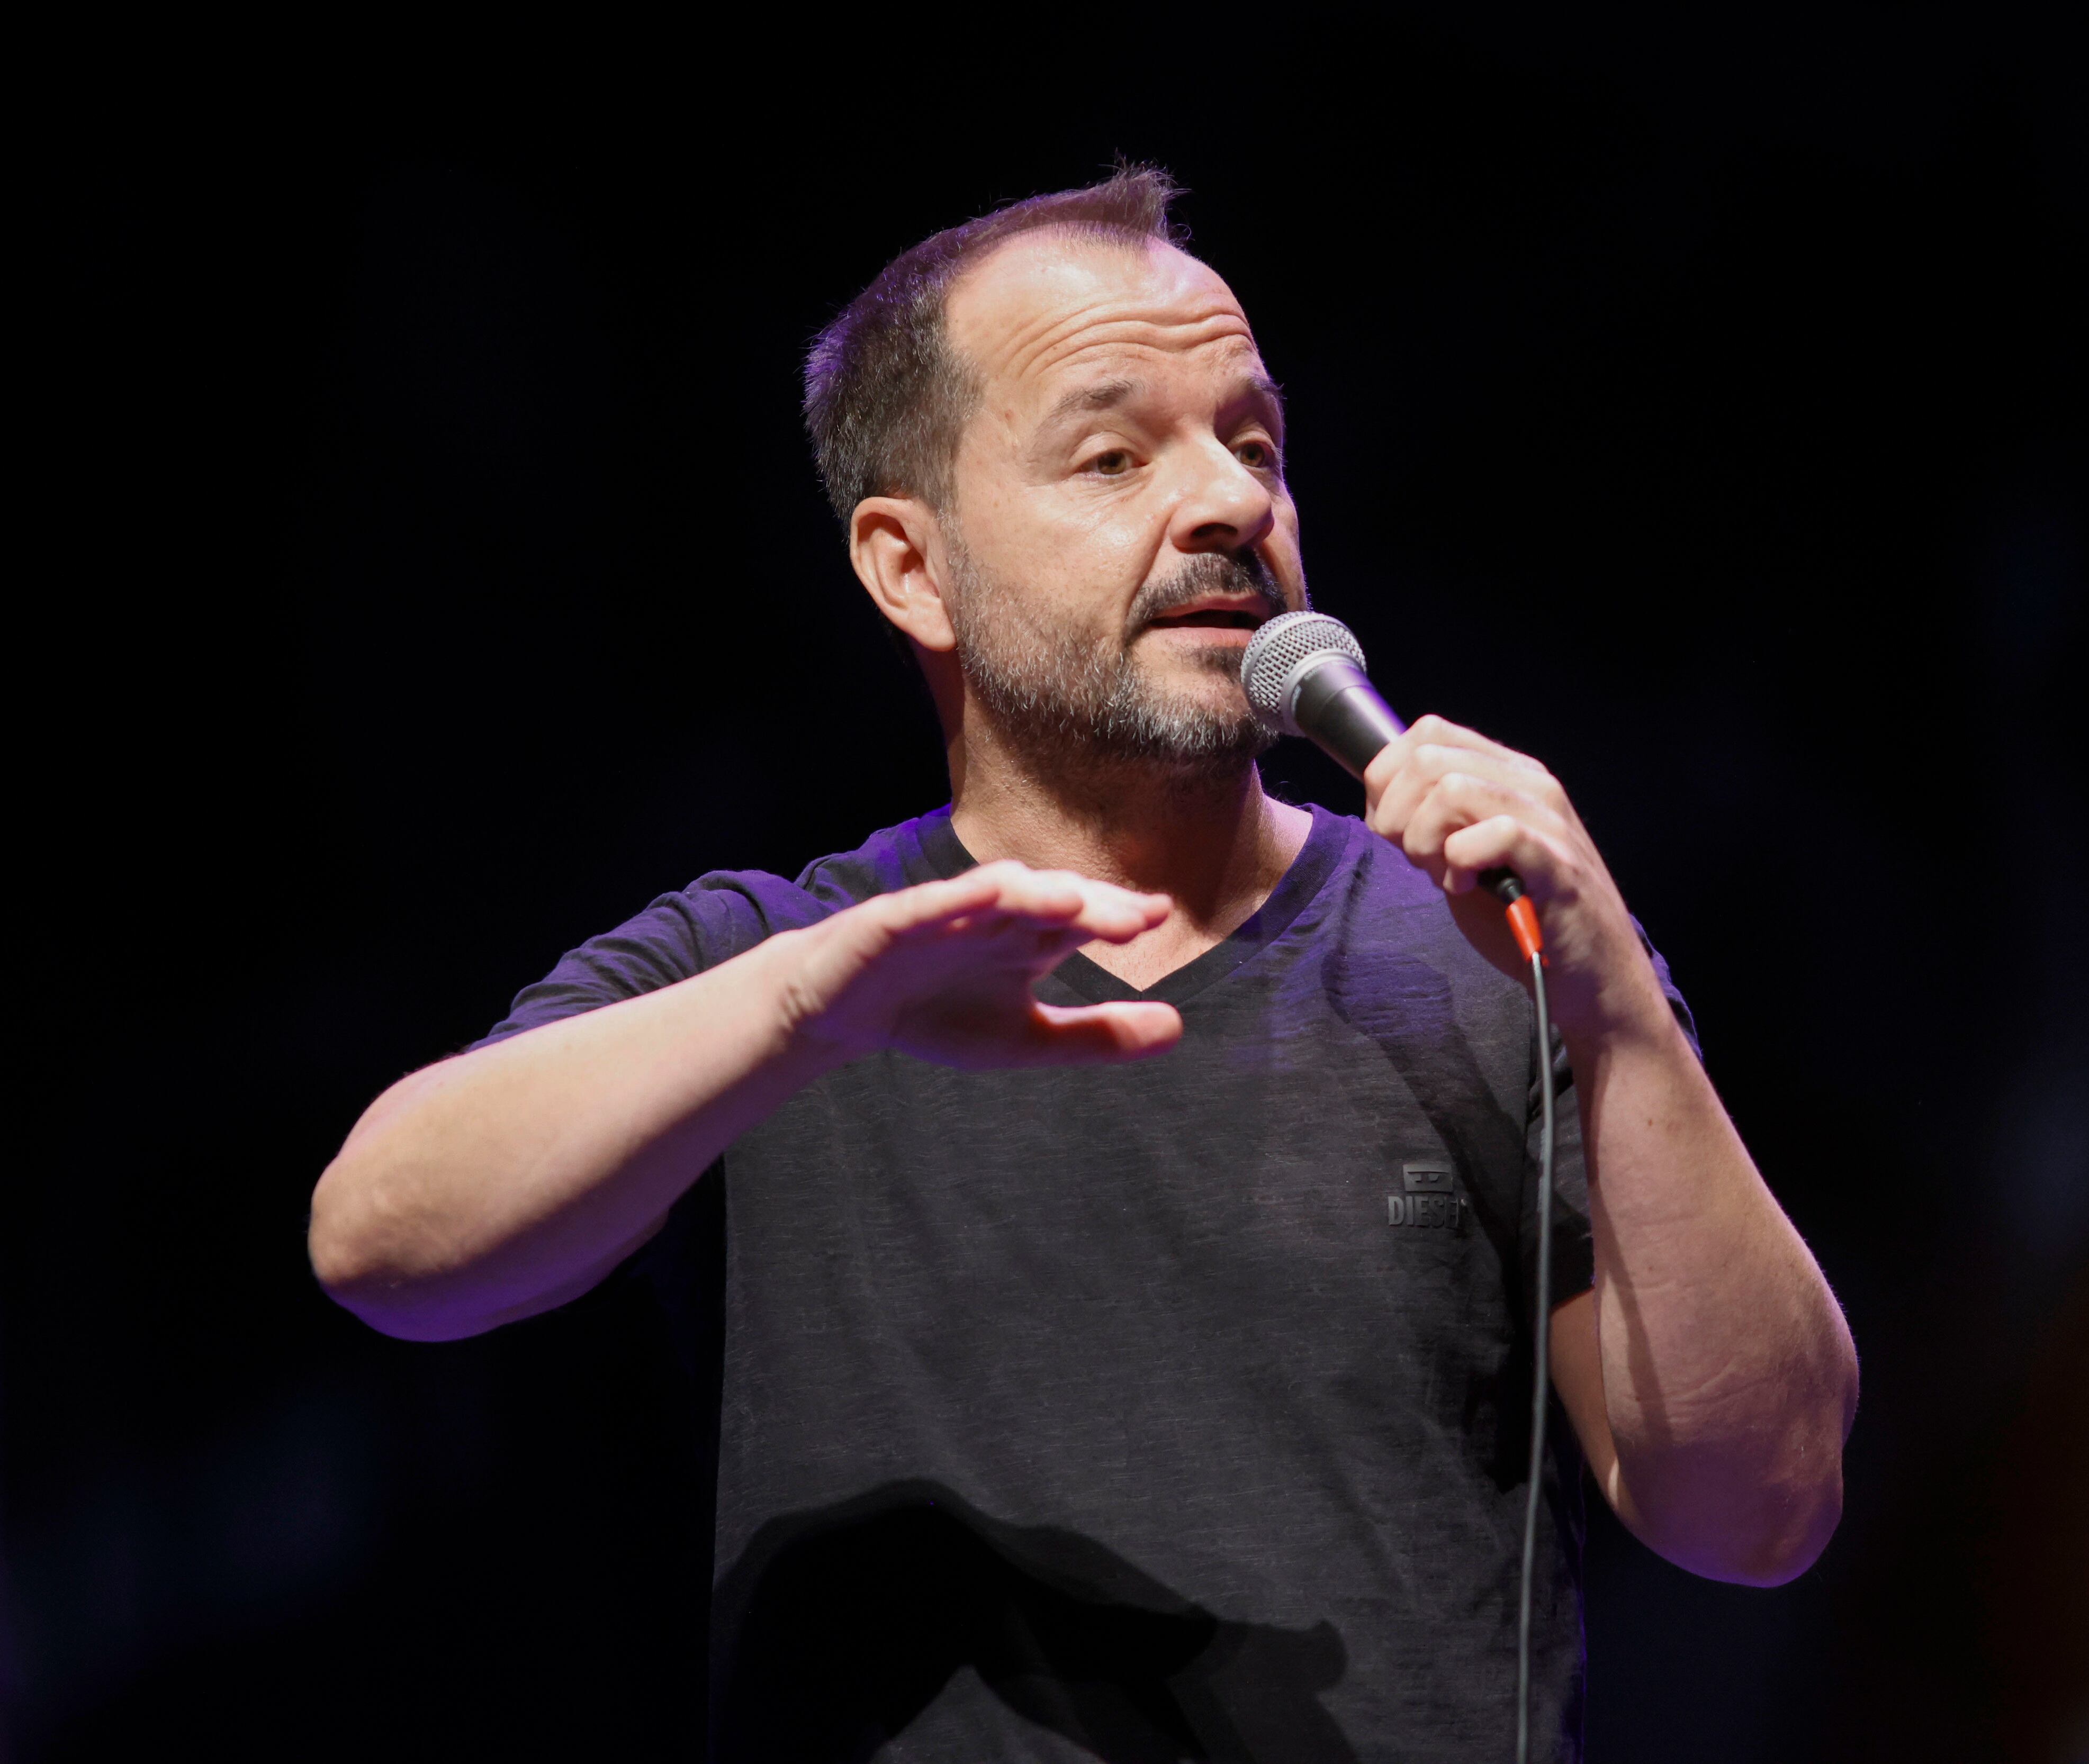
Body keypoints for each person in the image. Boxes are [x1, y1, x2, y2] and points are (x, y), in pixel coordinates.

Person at [308, 167, 1858, 1763]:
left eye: (1255, 445)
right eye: (1115, 457)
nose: (1230, 503)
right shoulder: (783, 969)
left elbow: (1764, 1508)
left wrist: (1621, 1014)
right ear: (911, 570)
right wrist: (807, 1011)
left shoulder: (1488, 950)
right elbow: (383, 1242)